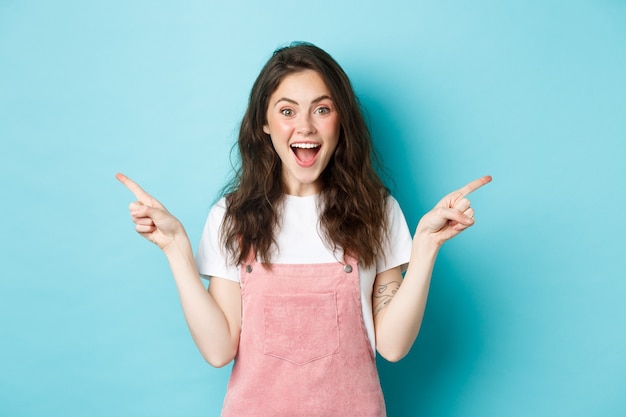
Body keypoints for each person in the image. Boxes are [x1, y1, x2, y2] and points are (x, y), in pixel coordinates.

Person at [117, 42, 491, 417]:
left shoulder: (377, 211)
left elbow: (393, 346)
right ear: (264, 123)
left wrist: (425, 247)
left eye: (322, 109)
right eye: (287, 111)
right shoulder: (232, 216)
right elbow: (218, 351)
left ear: (340, 120)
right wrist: (176, 248)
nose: (305, 126)